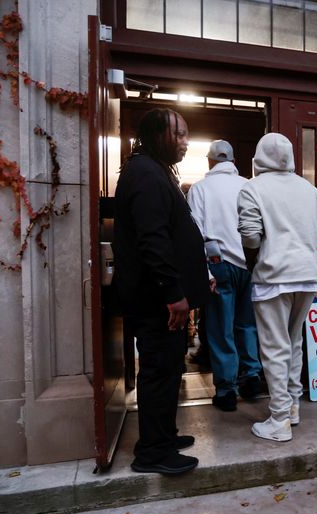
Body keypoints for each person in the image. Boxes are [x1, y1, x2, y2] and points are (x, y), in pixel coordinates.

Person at [113, 108, 209, 475]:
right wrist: (173, 292)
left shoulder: (154, 171)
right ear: (156, 135)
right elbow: (153, 240)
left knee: (169, 369)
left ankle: (164, 435)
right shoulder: (146, 174)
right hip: (158, 302)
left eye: (186, 135)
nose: (185, 142)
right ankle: (153, 452)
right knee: (159, 371)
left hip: (163, 299)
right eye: (179, 134)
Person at [237, 132, 317, 442]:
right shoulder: (310, 190)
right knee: (293, 342)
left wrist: (257, 258)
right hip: (308, 275)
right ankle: (292, 407)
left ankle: (278, 419)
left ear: (259, 157)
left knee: (275, 347)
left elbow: (250, 236)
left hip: (273, 276)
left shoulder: (253, 188)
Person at [188, 140, 263, 411]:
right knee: (247, 324)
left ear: (210, 162)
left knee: (221, 328)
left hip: (219, 264)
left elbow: (195, 233)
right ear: (233, 161)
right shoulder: (249, 186)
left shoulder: (200, 189)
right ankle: (252, 375)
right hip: (250, 264)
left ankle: (226, 390)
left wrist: (205, 271)